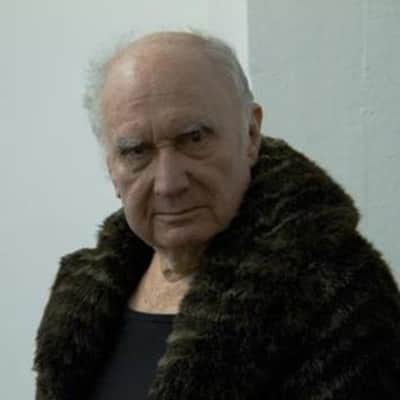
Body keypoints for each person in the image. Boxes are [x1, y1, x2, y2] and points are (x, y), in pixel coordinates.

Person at [33, 31, 400, 400]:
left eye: (194, 138)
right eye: (136, 152)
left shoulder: (338, 292)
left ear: (251, 134)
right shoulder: (78, 299)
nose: (168, 184)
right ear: (111, 167)